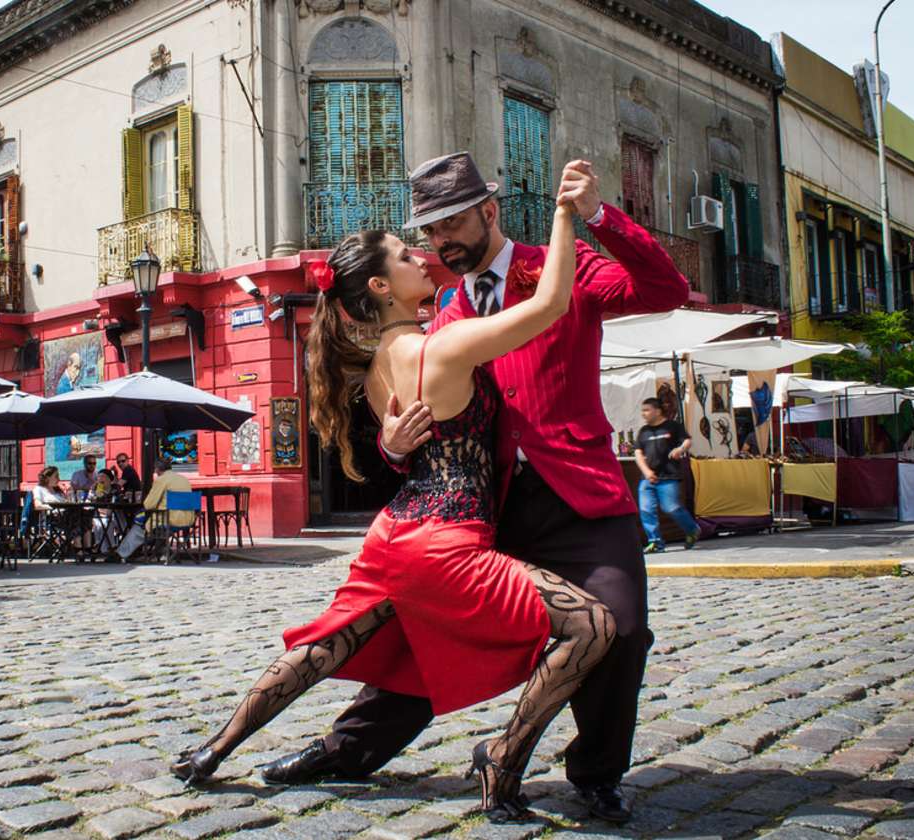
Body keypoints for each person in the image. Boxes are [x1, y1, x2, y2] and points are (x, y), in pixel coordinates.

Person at [262, 152, 689, 824]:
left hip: (580, 500)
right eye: (428, 234)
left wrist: (598, 217)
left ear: (489, 212)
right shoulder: (445, 311)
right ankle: (345, 750)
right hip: (488, 514)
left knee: (624, 632)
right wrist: (390, 446)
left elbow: (666, 289)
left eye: (450, 225)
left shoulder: (560, 264)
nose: (439, 245)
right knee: (421, 633)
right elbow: (434, 417)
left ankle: (596, 773)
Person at [171, 185, 617, 824]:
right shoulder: (444, 346)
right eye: (406, 255)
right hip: (447, 541)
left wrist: (388, 441)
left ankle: (215, 749)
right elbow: (550, 302)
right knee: (593, 628)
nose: (420, 255)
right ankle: (505, 758)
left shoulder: (378, 363)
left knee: (326, 646)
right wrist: (567, 214)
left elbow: (410, 443)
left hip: (394, 533)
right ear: (381, 288)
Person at [634, 397, 700, 553]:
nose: (644, 414)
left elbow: (687, 440)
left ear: (657, 411)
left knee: (671, 508)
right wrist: (646, 471)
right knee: (645, 509)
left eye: (647, 410)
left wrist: (680, 449)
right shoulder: (644, 431)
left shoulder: (673, 426)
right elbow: (638, 453)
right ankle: (655, 542)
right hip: (648, 478)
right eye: (642, 411)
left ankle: (692, 529)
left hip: (669, 475)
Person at [109, 458, 197, 563]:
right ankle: (160, 551)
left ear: (158, 469)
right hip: (188, 519)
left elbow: (149, 504)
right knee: (147, 522)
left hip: (169, 519)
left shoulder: (161, 480)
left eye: (155, 469)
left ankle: (122, 553)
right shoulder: (184, 479)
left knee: (139, 526)